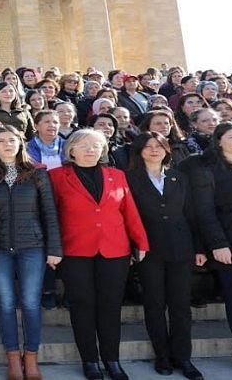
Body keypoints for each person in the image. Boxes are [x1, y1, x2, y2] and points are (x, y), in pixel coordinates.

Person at [49, 129, 149, 380]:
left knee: (111, 306)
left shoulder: (116, 175)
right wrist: (52, 249)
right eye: (83, 145)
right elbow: (50, 217)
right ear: (71, 150)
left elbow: (129, 211)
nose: (90, 150)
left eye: (96, 145)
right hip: (74, 250)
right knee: (82, 305)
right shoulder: (56, 176)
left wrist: (141, 242)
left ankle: (111, 359)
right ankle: (90, 360)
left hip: (114, 249)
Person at [0, 125, 62, 380]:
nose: (7, 145)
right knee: (5, 303)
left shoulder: (37, 173)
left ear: (20, 144)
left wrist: (54, 249)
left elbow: (50, 213)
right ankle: (12, 359)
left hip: (33, 247)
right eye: (1, 141)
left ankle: (31, 358)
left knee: (30, 302)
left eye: (12, 140)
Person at [125, 132, 205, 380]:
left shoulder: (178, 177)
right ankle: (162, 355)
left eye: (159, 145)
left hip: (181, 248)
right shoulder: (129, 179)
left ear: (167, 149)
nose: (153, 150)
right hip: (148, 249)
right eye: (147, 146)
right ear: (139, 151)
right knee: (155, 304)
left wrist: (199, 248)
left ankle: (183, 357)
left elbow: (192, 213)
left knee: (181, 305)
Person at [180, 122, 232, 376]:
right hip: (231, 247)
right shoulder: (206, 169)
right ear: (219, 141)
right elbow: (204, 211)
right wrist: (218, 244)